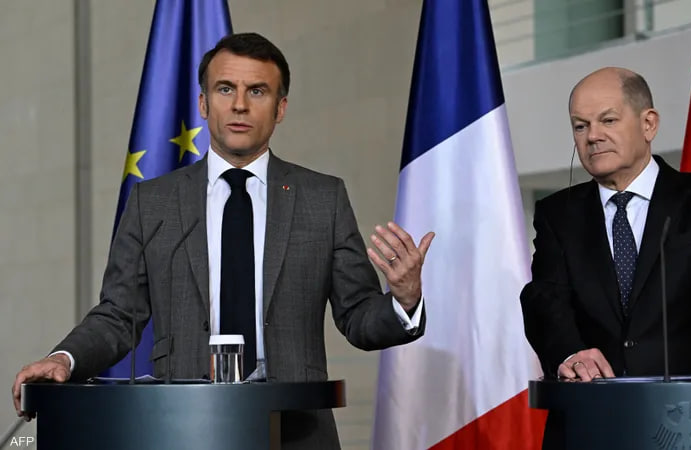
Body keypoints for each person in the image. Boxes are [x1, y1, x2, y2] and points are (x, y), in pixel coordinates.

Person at [12, 32, 434, 449]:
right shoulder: (153, 203)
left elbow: (358, 316)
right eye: (225, 89)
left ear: (281, 108)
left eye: (257, 91)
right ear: (203, 103)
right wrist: (63, 358)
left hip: (296, 431)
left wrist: (404, 299)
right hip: (181, 430)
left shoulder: (323, 199)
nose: (239, 104)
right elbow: (119, 314)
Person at [520, 67, 691, 448]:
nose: (592, 136)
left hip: (688, 425)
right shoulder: (558, 214)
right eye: (580, 126)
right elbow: (545, 297)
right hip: (589, 424)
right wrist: (570, 352)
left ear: (649, 124)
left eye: (608, 120)